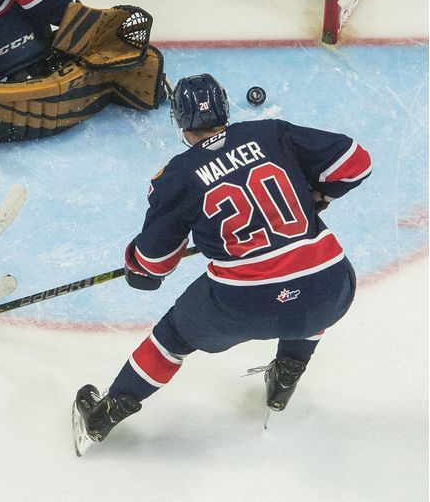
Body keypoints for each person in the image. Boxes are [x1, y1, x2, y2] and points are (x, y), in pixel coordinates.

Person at [71, 73, 372, 456]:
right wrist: (319, 196)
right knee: (308, 293)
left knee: (172, 339)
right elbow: (356, 163)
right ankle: (286, 375)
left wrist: (136, 265)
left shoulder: (177, 176)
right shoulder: (272, 134)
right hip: (331, 289)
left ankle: (106, 413)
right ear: (225, 108)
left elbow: (152, 267)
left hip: (242, 305)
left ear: (179, 121)